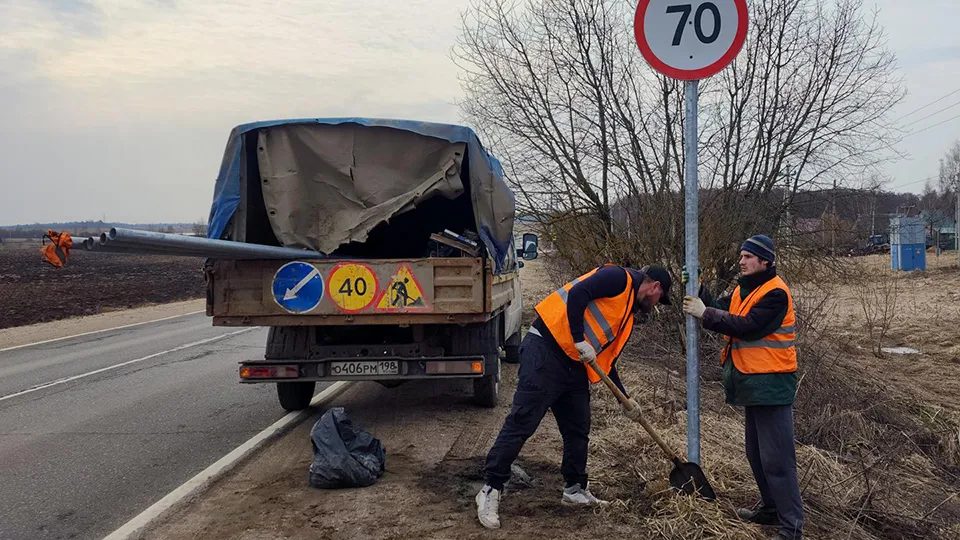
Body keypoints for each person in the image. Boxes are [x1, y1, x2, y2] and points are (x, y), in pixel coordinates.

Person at [475, 263, 673, 529]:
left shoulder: (628, 312)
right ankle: (490, 488)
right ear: (655, 287)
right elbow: (580, 293)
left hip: (574, 363)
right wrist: (579, 338)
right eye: (660, 298)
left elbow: (608, 362)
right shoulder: (618, 278)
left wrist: (625, 400)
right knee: (523, 421)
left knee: (578, 427)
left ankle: (575, 489)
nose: (657, 304)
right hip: (546, 350)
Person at [681, 235, 804, 540]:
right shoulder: (743, 289)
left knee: (777, 460)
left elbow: (748, 326)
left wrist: (705, 313)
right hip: (753, 383)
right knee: (756, 454)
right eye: (741, 256)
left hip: (772, 385)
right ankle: (771, 509)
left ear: (765, 261)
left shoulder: (776, 294)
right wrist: (698, 290)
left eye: (748, 256)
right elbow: (719, 309)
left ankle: (791, 529)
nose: (741, 261)